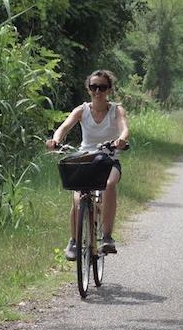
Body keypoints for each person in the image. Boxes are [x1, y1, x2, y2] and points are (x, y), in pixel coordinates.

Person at [46, 69, 130, 260]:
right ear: (88, 89)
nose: (97, 91)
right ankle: (74, 241)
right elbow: (64, 127)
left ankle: (107, 237)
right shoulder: (81, 110)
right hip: (85, 159)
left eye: (102, 87)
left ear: (109, 90)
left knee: (109, 185)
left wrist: (121, 140)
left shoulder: (116, 110)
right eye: (94, 87)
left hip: (109, 159)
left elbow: (124, 129)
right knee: (77, 200)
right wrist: (55, 141)